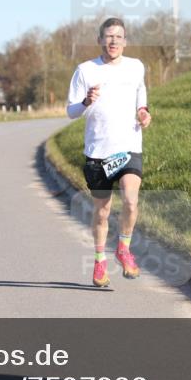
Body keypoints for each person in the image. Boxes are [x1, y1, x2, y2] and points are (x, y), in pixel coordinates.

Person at [66, 17, 152, 287]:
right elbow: (70, 111)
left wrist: (143, 112)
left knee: (130, 201)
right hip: (98, 151)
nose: (113, 41)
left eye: (119, 36)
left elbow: (141, 94)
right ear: (100, 40)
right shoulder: (85, 70)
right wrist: (85, 101)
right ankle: (100, 259)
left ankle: (124, 248)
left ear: (125, 41)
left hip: (128, 146)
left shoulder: (136, 67)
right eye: (108, 36)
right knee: (102, 212)